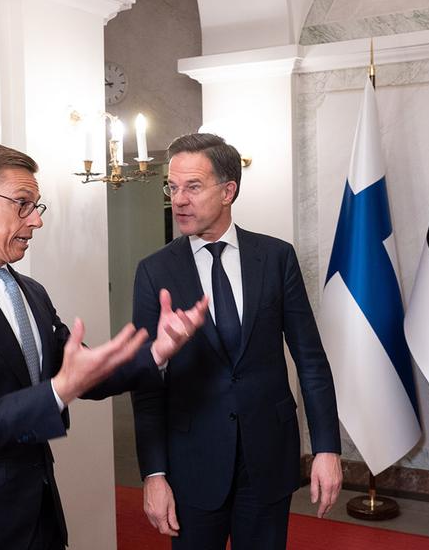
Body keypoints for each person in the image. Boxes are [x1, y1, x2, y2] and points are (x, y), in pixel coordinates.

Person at [0, 143, 208, 550]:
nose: (35, 222)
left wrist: (157, 353)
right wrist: (59, 390)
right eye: (23, 204)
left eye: (37, 207)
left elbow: (82, 372)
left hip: (39, 515)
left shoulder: (32, 292)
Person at [133, 133, 342, 550]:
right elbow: (146, 382)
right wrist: (154, 474)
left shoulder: (276, 257)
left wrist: (326, 448)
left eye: (193, 187)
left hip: (268, 455)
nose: (178, 200)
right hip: (191, 463)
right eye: (172, 187)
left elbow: (311, 361)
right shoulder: (154, 271)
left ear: (228, 190)